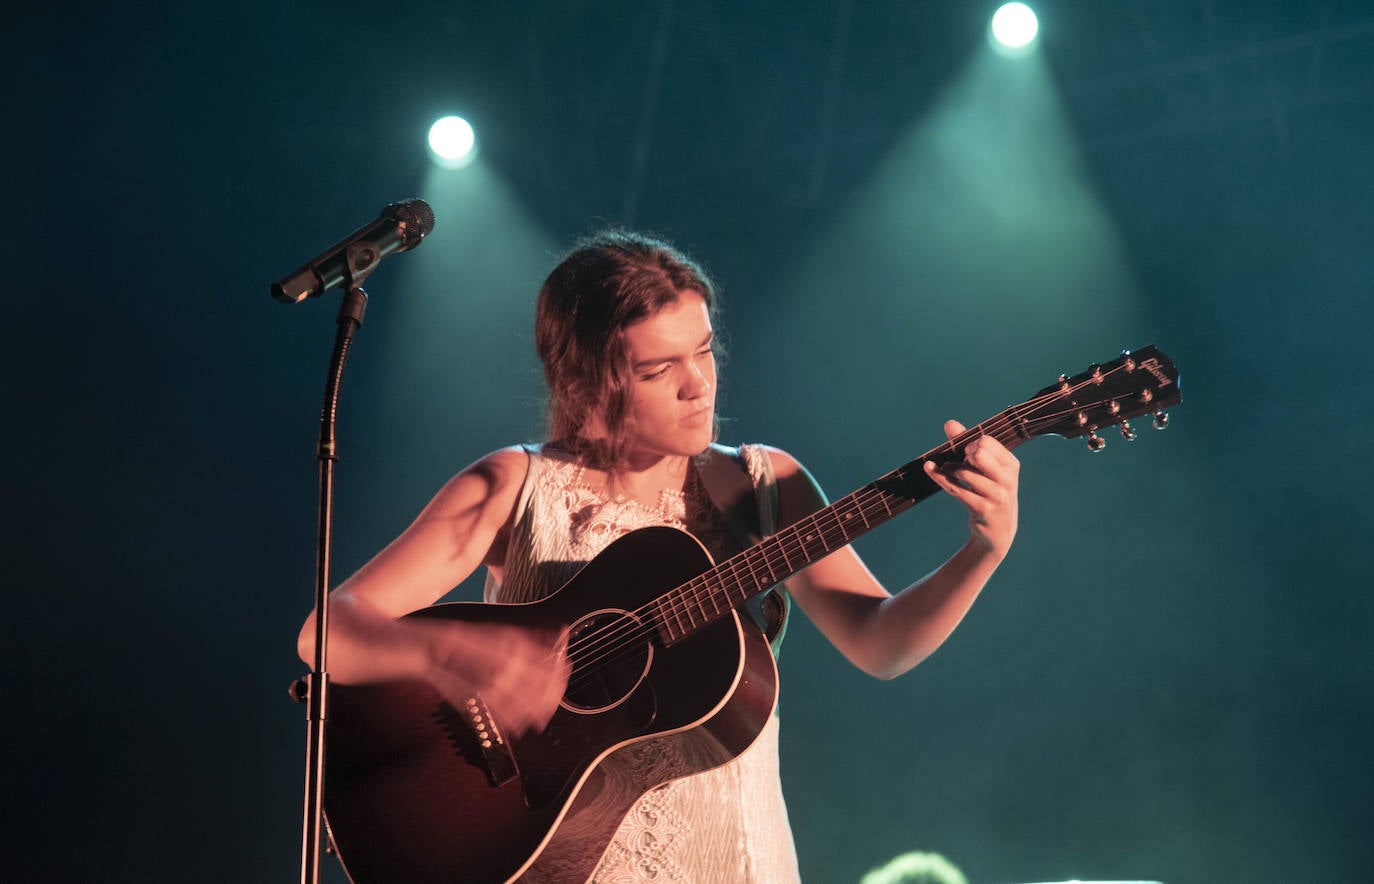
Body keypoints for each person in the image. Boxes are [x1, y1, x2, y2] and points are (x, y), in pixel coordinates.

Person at [297, 229, 1020, 882]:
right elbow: (326, 630)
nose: (699, 383)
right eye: (659, 368)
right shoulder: (512, 486)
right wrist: (451, 657)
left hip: (738, 859)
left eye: (704, 349)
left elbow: (880, 643)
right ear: (586, 384)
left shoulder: (768, 486)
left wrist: (981, 553)